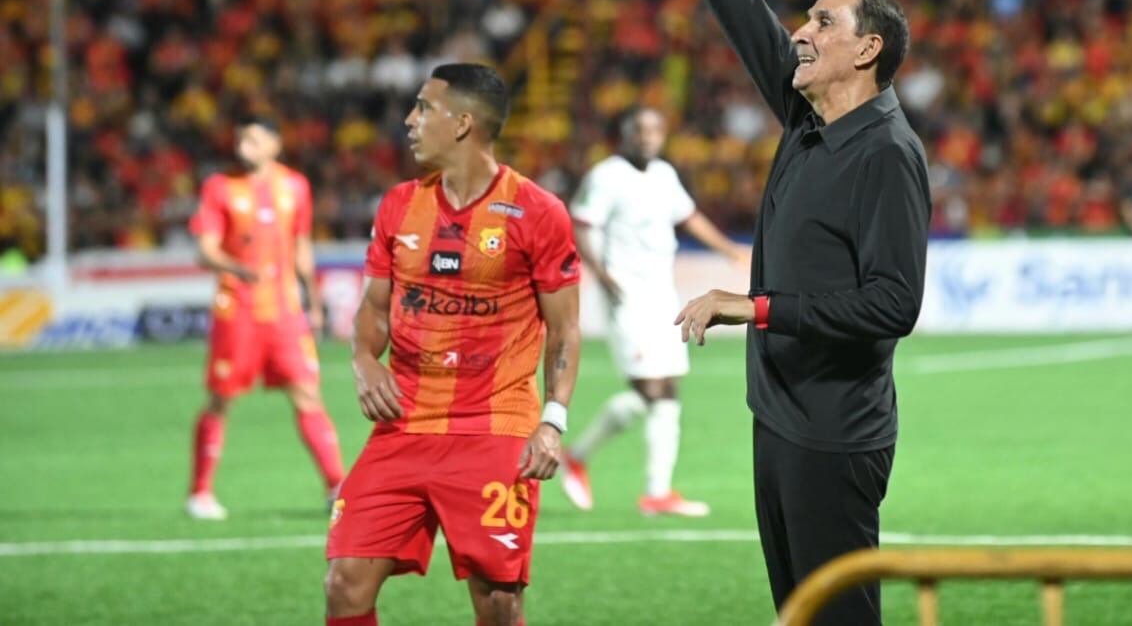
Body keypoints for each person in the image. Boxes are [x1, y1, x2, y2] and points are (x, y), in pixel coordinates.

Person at [602, 0, 930, 625]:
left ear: (868, 48)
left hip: (835, 432)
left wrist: (753, 308)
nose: (800, 30)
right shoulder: (804, 115)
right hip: (777, 415)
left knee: (839, 617)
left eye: (823, 20)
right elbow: (738, 6)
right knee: (796, 615)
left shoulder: (888, 154)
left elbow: (894, 304)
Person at [324, 63, 581, 626]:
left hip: (494, 427)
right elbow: (372, 308)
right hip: (404, 424)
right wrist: (365, 361)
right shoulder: (398, 205)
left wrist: (553, 421)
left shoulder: (537, 212)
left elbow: (563, 329)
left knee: (498, 602)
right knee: (345, 582)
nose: (409, 121)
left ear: (463, 123)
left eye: (423, 108)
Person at [560, 105, 748, 517]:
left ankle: (651, 489)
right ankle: (588, 461)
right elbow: (581, 224)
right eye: (639, 129)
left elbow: (690, 217)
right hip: (627, 297)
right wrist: (602, 275)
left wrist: (730, 250)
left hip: (662, 295)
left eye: (655, 129)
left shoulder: (663, 174)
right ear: (624, 134)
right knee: (651, 390)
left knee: (666, 393)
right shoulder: (606, 175)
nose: (647, 137)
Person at [186, 116, 343, 520]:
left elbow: (301, 246)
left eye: (254, 139)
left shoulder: (295, 186)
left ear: (275, 144)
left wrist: (314, 300)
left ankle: (336, 487)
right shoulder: (219, 187)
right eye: (241, 137)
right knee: (221, 399)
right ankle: (200, 493)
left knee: (308, 393)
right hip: (237, 309)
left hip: (285, 311)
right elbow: (203, 249)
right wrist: (236, 268)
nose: (244, 146)